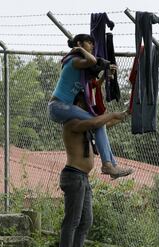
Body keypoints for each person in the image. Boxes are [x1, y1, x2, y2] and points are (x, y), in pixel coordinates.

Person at [58, 92, 128, 247]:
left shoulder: (86, 125)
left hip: (83, 177)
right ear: (77, 104)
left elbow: (103, 125)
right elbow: (96, 122)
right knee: (72, 219)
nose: (89, 107)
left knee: (86, 219)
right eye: (86, 104)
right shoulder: (72, 122)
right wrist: (110, 115)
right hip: (73, 175)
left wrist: (127, 113)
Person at [48, 33, 132, 179]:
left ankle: (111, 164)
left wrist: (106, 75)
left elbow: (92, 83)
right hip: (58, 106)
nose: (92, 45)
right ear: (79, 43)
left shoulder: (80, 69)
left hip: (63, 107)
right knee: (97, 122)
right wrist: (79, 49)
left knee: (101, 124)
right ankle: (108, 165)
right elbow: (93, 61)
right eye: (89, 42)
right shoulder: (74, 61)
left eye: (93, 43)